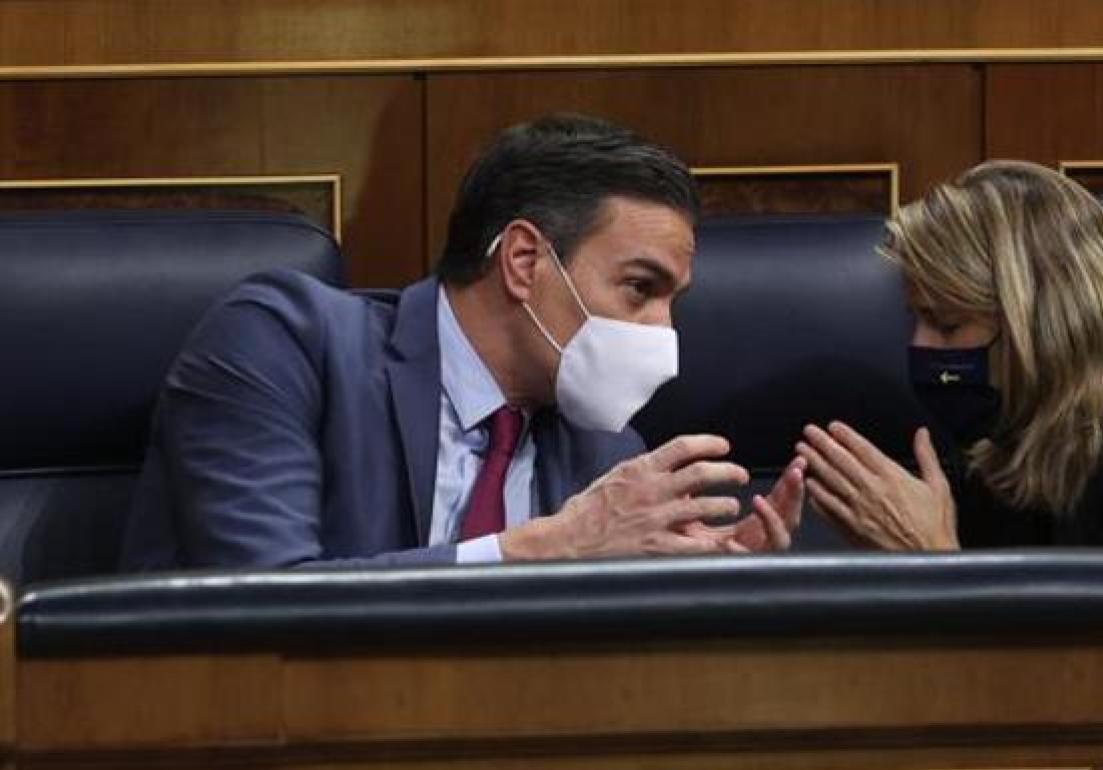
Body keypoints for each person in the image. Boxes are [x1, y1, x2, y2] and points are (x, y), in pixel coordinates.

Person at [122, 114, 805, 569]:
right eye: (638, 288)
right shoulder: (285, 343)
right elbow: (264, 609)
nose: (663, 332)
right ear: (524, 262)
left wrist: (696, 597)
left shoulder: (606, 454)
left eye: (672, 300)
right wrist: (544, 549)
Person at [798, 160, 1103, 549]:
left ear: (1042, 326)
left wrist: (931, 560)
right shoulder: (1002, 453)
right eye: (915, 319)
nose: (920, 346)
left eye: (947, 324)